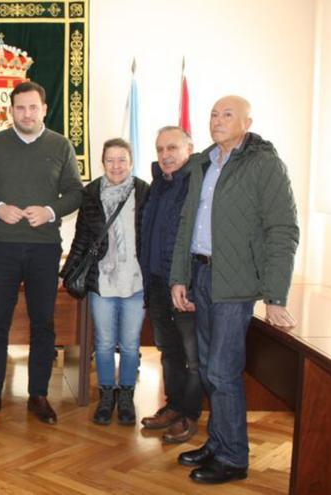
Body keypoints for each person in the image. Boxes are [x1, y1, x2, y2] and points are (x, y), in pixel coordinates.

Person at [170, 96, 299, 484]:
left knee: (223, 372)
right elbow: (187, 225)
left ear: (247, 121)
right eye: (213, 114)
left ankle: (233, 457)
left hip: (236, 283)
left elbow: (283, 230)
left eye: (228, 114)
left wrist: (276, 296)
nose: (218, 120)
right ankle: (218, 442)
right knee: (210, 369)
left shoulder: (264, 164)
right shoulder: (204, 162)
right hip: (203, 275)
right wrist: (180, 276)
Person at [0, 81, 83, 424]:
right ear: (11, 110)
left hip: (44, 248)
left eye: (33, 107)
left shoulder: (60, 145)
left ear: (44, 109)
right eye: (20, 108)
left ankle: (38, 394)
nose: (27, 113)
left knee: (43, 324)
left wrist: (50, 212)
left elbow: (75, 193)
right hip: (1, 246)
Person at [60, 138, 149, 426]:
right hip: (103, 281)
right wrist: (69, 271)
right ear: (102, 162)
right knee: (105, 343)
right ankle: (106, 396)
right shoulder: (91, 193)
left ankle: (126, 397)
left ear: (131, 161)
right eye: (110, 160)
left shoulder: (145, 192)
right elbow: (83, 237)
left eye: (122, 159)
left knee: (131, 344)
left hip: (136, 281)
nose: (116, 166)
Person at [138, 127, 201, 443]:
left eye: (172, 147)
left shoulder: (199, 185)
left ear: (190, 148)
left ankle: (190, 414)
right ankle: (174, 406)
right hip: (157, 283)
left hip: (184, 286)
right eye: (160, 148)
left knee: (193, 355)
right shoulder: (157, 186)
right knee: (169, 352)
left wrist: (187, 281)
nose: (165, 155)